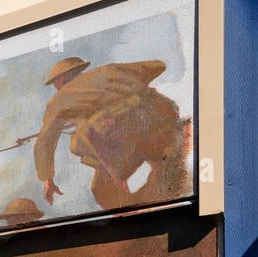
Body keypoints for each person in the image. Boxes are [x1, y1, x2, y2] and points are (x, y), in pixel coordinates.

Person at [34, 57, 189, 210]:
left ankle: (142, 212)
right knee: (166, 164)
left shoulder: (58, 101)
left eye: (55, 81)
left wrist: (48, 180)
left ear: (61, 78)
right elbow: (158, 65)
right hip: (156, 118)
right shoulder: (110, 70)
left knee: (102, 189)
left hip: (124, 137)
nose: (55, 85)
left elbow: (44, 142)